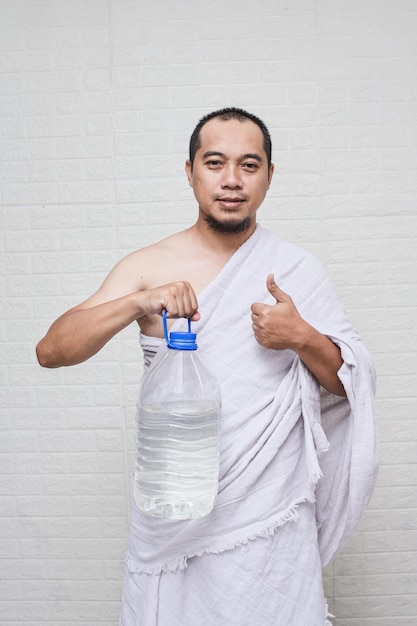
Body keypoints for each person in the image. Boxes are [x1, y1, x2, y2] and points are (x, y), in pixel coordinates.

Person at [36, 107, 378, 626]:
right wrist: (139, 303)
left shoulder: (296, 269)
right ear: (190, 170)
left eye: (249, 165)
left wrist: (301, 336)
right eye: (215, 163)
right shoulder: (149, 265)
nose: (232, 181)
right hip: (176, 503)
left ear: (268, 174)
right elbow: (52, 350)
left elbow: (348, 386)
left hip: (267, 512)